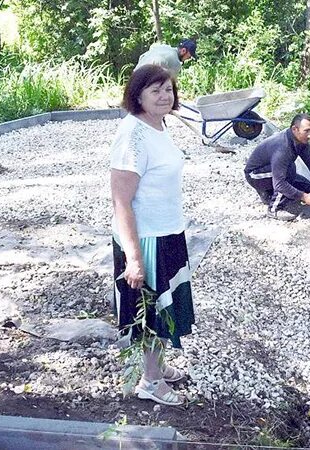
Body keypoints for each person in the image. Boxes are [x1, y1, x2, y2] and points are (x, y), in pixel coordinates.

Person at [109, 64, 195, 406]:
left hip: (169, 231)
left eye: (168, 90)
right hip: (146, 240)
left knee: (165, 306)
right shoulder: (133, 135)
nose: (164, 96)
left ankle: (157, 366)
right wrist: (133, 258)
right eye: (155, 90)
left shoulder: (157, 125)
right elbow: (121, 202)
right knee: (150, 312)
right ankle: (150, 381)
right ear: (138, 95)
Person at [243, 114, 310, 221]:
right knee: (289, 172)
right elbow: (280, 183)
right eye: (306, 131)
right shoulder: (283, 148)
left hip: (272, 171)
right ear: (295, 129)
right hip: (254, 175)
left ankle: (267, 193)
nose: (309, 135)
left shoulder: (300, 141)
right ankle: (274, 209)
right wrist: (304, 197)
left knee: (308, 188)